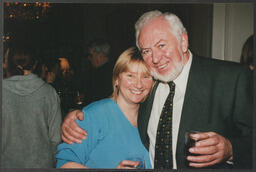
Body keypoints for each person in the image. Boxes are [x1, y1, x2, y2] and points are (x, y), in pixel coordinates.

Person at [61, 10, 252, 169]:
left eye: (161, 45)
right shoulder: (149, 86)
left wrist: (230, 149)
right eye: (147, 51)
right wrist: (79, 116)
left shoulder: (230, 78)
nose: (155, 58)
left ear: (183, 41)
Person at [55, 47, 153, 169]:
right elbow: (64, 165)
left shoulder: (152, 117)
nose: (138, 84)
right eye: (130, 75)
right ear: (117, 79)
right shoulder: (95, 115)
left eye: (146, 76)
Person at [2, 46, 62, 168]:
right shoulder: (49, 92)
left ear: (8, 63)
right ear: (35, 65)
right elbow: (56, 137)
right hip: (41, 164)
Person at [79, 39, 114, 104]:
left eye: (91, 55)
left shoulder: (99, 73)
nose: (89, 58)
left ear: (100, 55)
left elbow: (95, 98)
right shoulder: (113, 69)